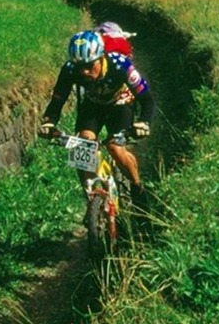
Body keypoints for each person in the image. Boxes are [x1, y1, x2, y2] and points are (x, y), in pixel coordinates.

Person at [39, 29, 156, 206]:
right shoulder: (70, 69)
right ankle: (92, 198)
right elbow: (57, 100)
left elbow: (147, 100)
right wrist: (49, 122)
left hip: (121, 104)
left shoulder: (120, 65)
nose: (85, 72)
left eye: (90, 65)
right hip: (93, 106)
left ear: (101, 57)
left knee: (115, 148)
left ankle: (138, 189)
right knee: (82, 145)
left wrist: (144, 122)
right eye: (80, 67)